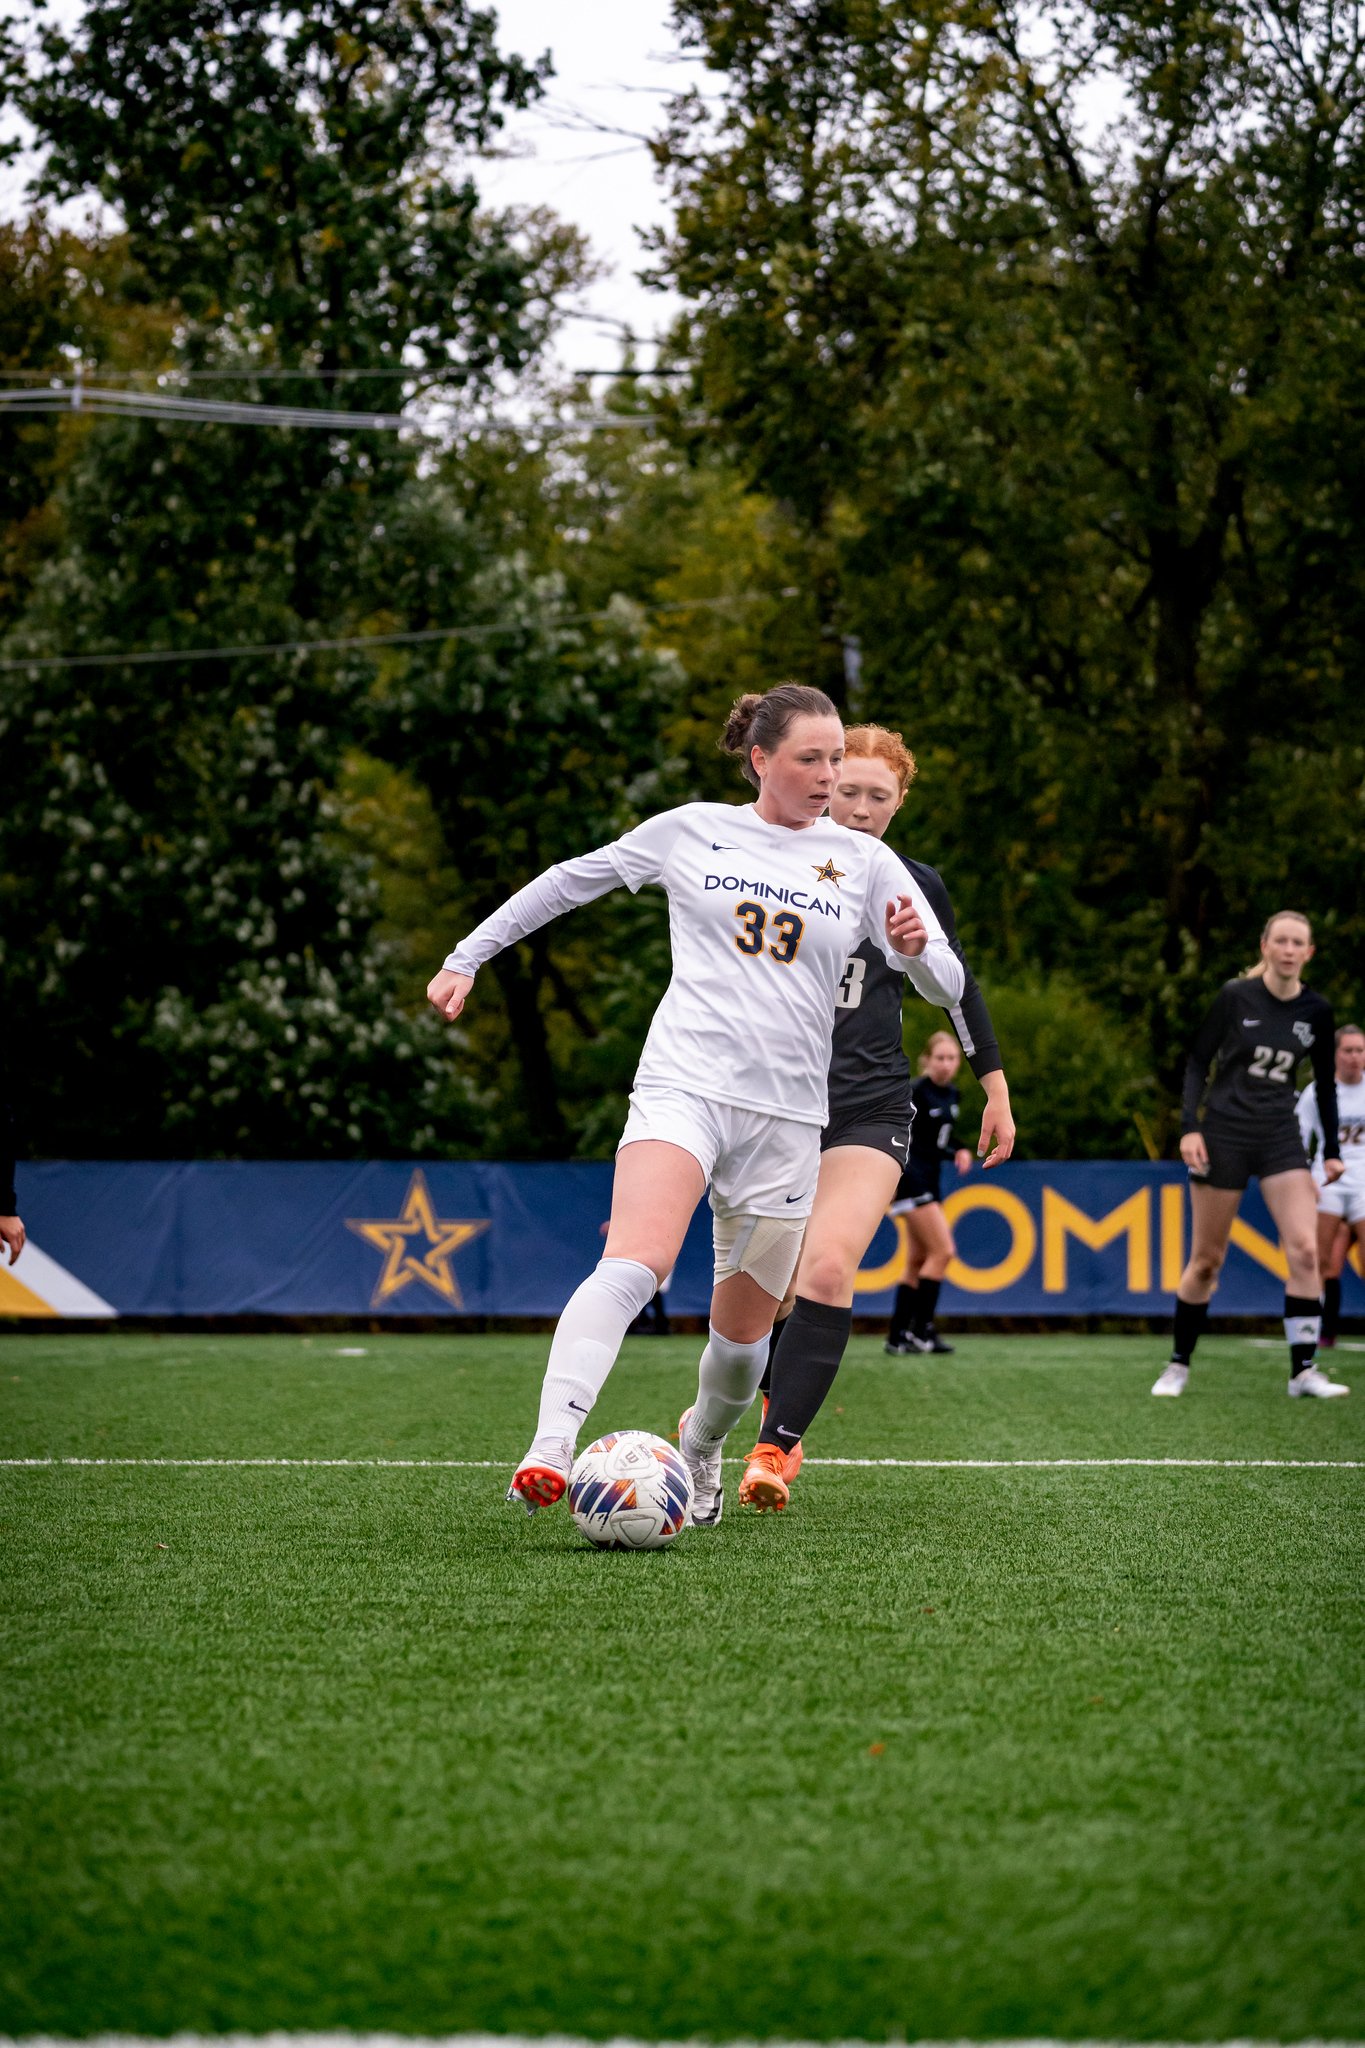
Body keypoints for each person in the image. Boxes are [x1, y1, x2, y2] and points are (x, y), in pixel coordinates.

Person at [426, 684, 966, 1525]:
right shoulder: (692, 829)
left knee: (740, 1342)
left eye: (834, 759)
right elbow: (572, 882)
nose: (828, 776)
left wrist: (916, 954)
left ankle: (704, 1448)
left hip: (788, 1122)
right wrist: (468, 955)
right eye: (810, 760)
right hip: (683, 1087)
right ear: (760, 759)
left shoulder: (863, 862)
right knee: (632, 1265)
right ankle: (550, 1448)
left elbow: (946, 981)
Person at [737, 724, 1014, 1512]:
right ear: (820, 780)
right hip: (771, 1107)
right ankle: (738, 1414)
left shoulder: (912, 883)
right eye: (847, 788)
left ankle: (774, 1448)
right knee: (769, 1292)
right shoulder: (765, 858)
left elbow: (956, 987)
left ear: (899, 804)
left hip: (868, 1106)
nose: (858, 808)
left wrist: (993, 1087)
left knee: (827, 1267)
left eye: (877, 797)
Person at [1152, 911, 1347, 1399]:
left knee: (1305, 1250)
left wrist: (1332, 1152)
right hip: (1224, 1135)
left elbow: (1324, 1086)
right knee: (1206, 1262)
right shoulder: (1234, 997)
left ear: (1308, 952)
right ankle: (1178, 1364)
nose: (1287, 949)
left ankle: (1303, 1371)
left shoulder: (1317, 1012)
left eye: (1296, 942)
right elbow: (1198, 1062)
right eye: (1279, 940)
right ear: (1264, 946)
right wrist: (1189, 1129)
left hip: (1281, 1137)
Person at [884, 1031, 976, 1356]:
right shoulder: (916, 1092)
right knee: (943, 1252)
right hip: (913, 1179)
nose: (946, 1064)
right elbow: (901, 1136)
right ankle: (922, 1331)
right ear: (926, 1060)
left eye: (952, 1058)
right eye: (940, 1058)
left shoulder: (952, 1093)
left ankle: (897, 1337)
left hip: (931, 1179)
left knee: (918, 1260)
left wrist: (959, 1150)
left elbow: (937, 1140)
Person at [1297, 1022, 1365, 1349]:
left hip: (1364, 1182)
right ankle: (1319, 1331)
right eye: (1348, 1050)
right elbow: (1299, 1135)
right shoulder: (1318, 1091)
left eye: (1360, 1050)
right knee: (1322, 1261)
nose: (1355, 1057)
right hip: (1329, 1181)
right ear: (1335, 1054)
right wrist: (1302, 1178)